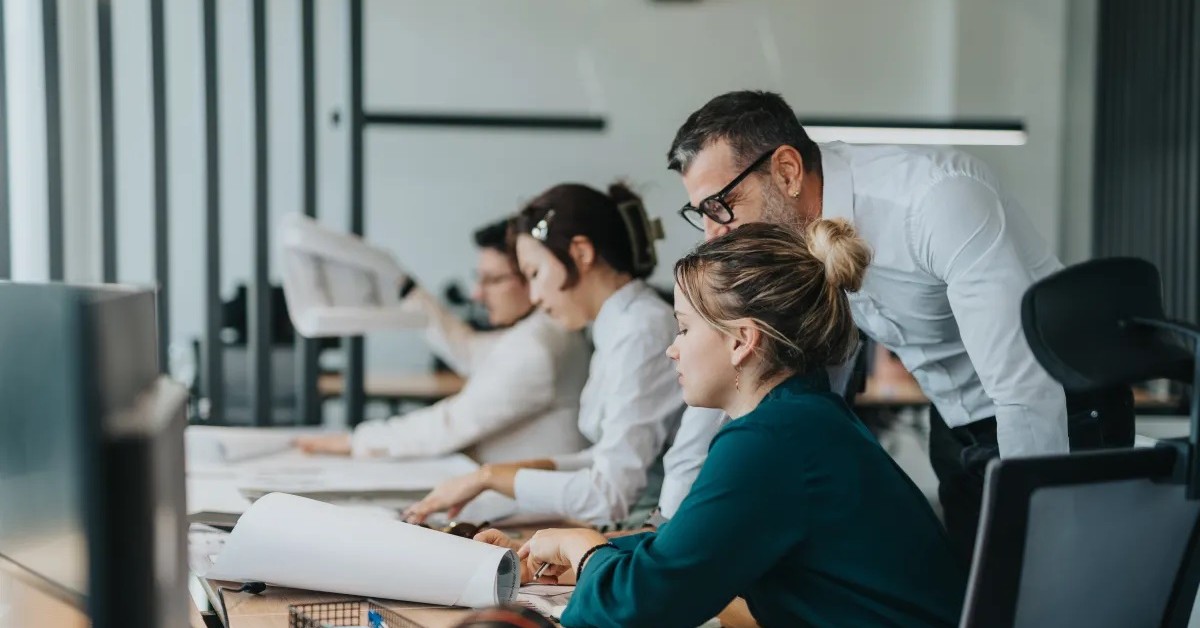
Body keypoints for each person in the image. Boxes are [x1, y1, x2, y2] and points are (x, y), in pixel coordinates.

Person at [664, 89, 1134, 560]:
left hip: (1060, 409)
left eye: (721, 204)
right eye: (701, 213)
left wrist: (1038, 543)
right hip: (954, 420)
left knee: (1057, 580)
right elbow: (731, 366)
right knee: (974, 590)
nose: (714, 233)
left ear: (786, 171)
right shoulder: (785, 234)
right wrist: (671, 515)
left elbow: (1023, 385)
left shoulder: (933, 200)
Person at [476, 222, 966, 628]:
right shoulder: (801, 417)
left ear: (741, 341)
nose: (672, 349)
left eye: (685, 328)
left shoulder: (770, 441)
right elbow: (691, 547)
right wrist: (570, 553)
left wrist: (588, 553)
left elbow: (639, 610)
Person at [404, 183, 707, 527]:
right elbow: (605, 460)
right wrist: (496, 476)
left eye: (535, 274)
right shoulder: (617, 326)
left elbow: (610, 494)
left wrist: (490, 478)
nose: (534, 295)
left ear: (581, 253)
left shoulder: (641, 329)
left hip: (651, 528)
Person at [296, 217, 591, 464]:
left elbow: (450, 425)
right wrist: (405, 288)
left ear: (530, 274)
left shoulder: (537, 346)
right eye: (478, 278)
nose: (477, 294)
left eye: (492, 280)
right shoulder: (543, 333)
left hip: (532, 507)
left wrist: (356, 440)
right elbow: (468, 349)